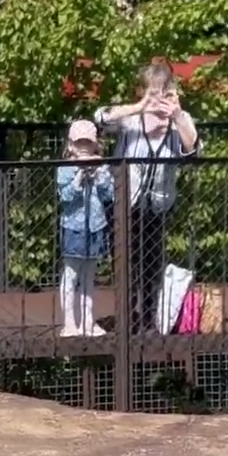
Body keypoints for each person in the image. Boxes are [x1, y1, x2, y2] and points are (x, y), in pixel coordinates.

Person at [93, 60, 201, 335]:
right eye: (153, 91)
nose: (158, 97)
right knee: (125, 263)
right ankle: (128, 319)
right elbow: (100, 117)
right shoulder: (131, 120)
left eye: (163, 91)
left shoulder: (179, 121)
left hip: (158, 205)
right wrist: (139, 107)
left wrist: (177, 116)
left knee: (152, 263)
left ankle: (151, 320)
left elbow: (194, 150)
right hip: (125, 204)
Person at [54, 119, 115, 337]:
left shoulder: (102, 167)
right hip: (74, 227)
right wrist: (79, 177)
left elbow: (109, 196)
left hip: (95, 226)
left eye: (87, 142)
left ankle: (88, 322)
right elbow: (65, 197)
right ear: (71, 145)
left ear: (95, 144)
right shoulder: (65, 169)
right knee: (71, 274)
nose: (83, 147)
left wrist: (100, 176)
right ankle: (69, 323)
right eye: (79, 142)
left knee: (89, 276)